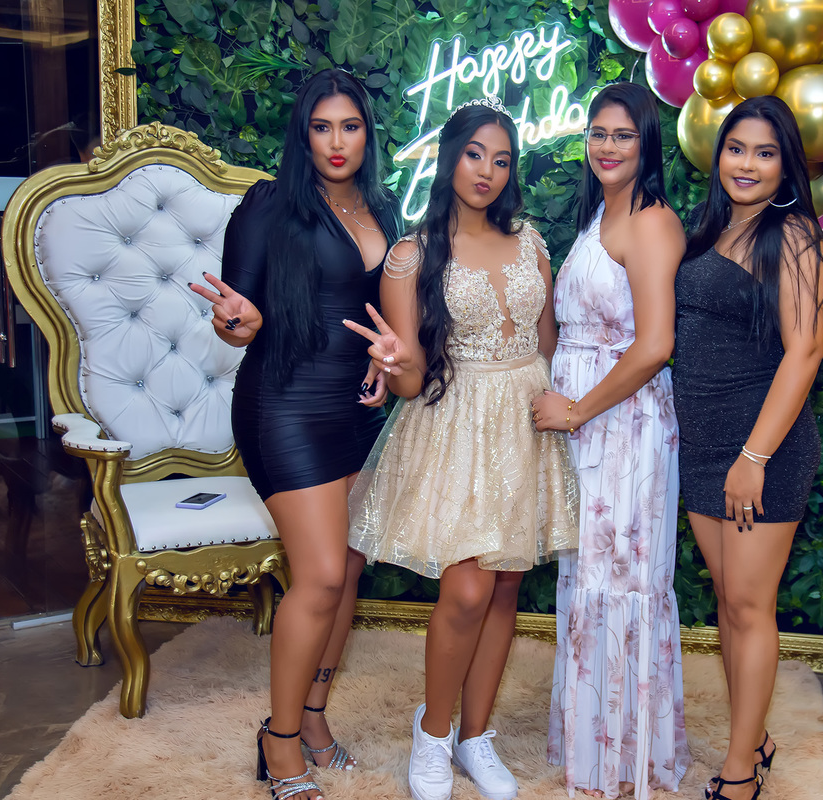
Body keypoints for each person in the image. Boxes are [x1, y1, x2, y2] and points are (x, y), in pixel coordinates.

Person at [345, 98, 579, 800]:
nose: (487, 171)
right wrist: (392, 362)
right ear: (451, 158)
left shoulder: (532, 241)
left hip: (523, 421)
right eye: (475, 154)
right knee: (469, 587)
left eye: (502, 160)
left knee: (506, 584)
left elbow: (546, 344)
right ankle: (433, 732)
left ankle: (476, 737)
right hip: (456, 425)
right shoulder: (411, 256)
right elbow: (412, 378)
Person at [189, 69, 402, 800]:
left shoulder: (383, 208)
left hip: (356, 409)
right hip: (283, 404)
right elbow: (237, 311)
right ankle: (278, 741)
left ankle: (312, 717)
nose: (337, 142)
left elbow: (382, 315)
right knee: (321, 576)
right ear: (302, 134)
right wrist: (237, 322)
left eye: (350, 126)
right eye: (321, 126)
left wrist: (384, 363)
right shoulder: (269, 205)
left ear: (367, 134)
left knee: (350, 567)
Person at [535, 82, 689, 800]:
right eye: (597, 132)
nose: (606, 145)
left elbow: (655, 345)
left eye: (623, 134)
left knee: (620, 581)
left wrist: (575, 411)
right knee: (589, 578)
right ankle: (593, 746)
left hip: (623, 426)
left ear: (646, 142)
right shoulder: (600, 212)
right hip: (591, 424)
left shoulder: (652, 222)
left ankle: (623, 759)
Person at [674, 96, 823, 800]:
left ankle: (740, 772)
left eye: (765, 153)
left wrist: (754, 458)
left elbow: (805, 353)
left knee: (747, 605)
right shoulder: (712, 226)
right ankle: (754, 737)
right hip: (703, 444)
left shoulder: (793, 236)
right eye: (737, 148)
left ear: (785, 165)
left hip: (762, 448)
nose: (747, 164)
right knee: (730, 601)